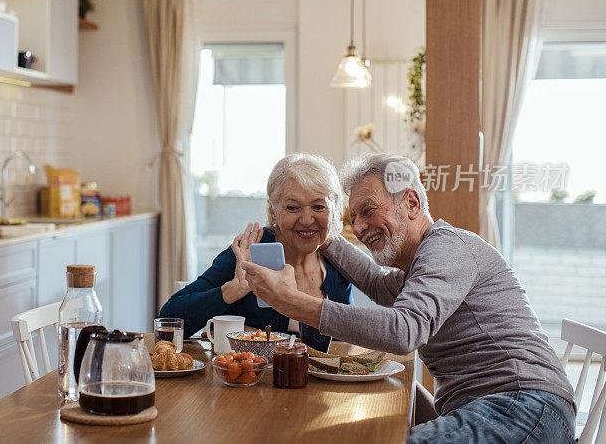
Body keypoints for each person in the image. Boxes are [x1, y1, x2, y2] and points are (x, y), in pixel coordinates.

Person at [241, 153, 576, 443]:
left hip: (524, 406)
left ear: (412, 203)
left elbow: (403, 331)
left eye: (368, 211)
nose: (358, 228)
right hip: (499, 406)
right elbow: (374, 282)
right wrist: (322, 231)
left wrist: (293, 302)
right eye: (352, 217)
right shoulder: (420, 267)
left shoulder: (448, 248)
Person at [158, 153, 355, 352]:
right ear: (273, 211)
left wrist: (264, 339)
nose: (306, 219)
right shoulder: (248, 254)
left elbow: (344, 341)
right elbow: (168, 322)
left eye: (318, 206)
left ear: (336, 209)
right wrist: (234, 288)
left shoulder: (336, 262)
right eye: (293, 207)